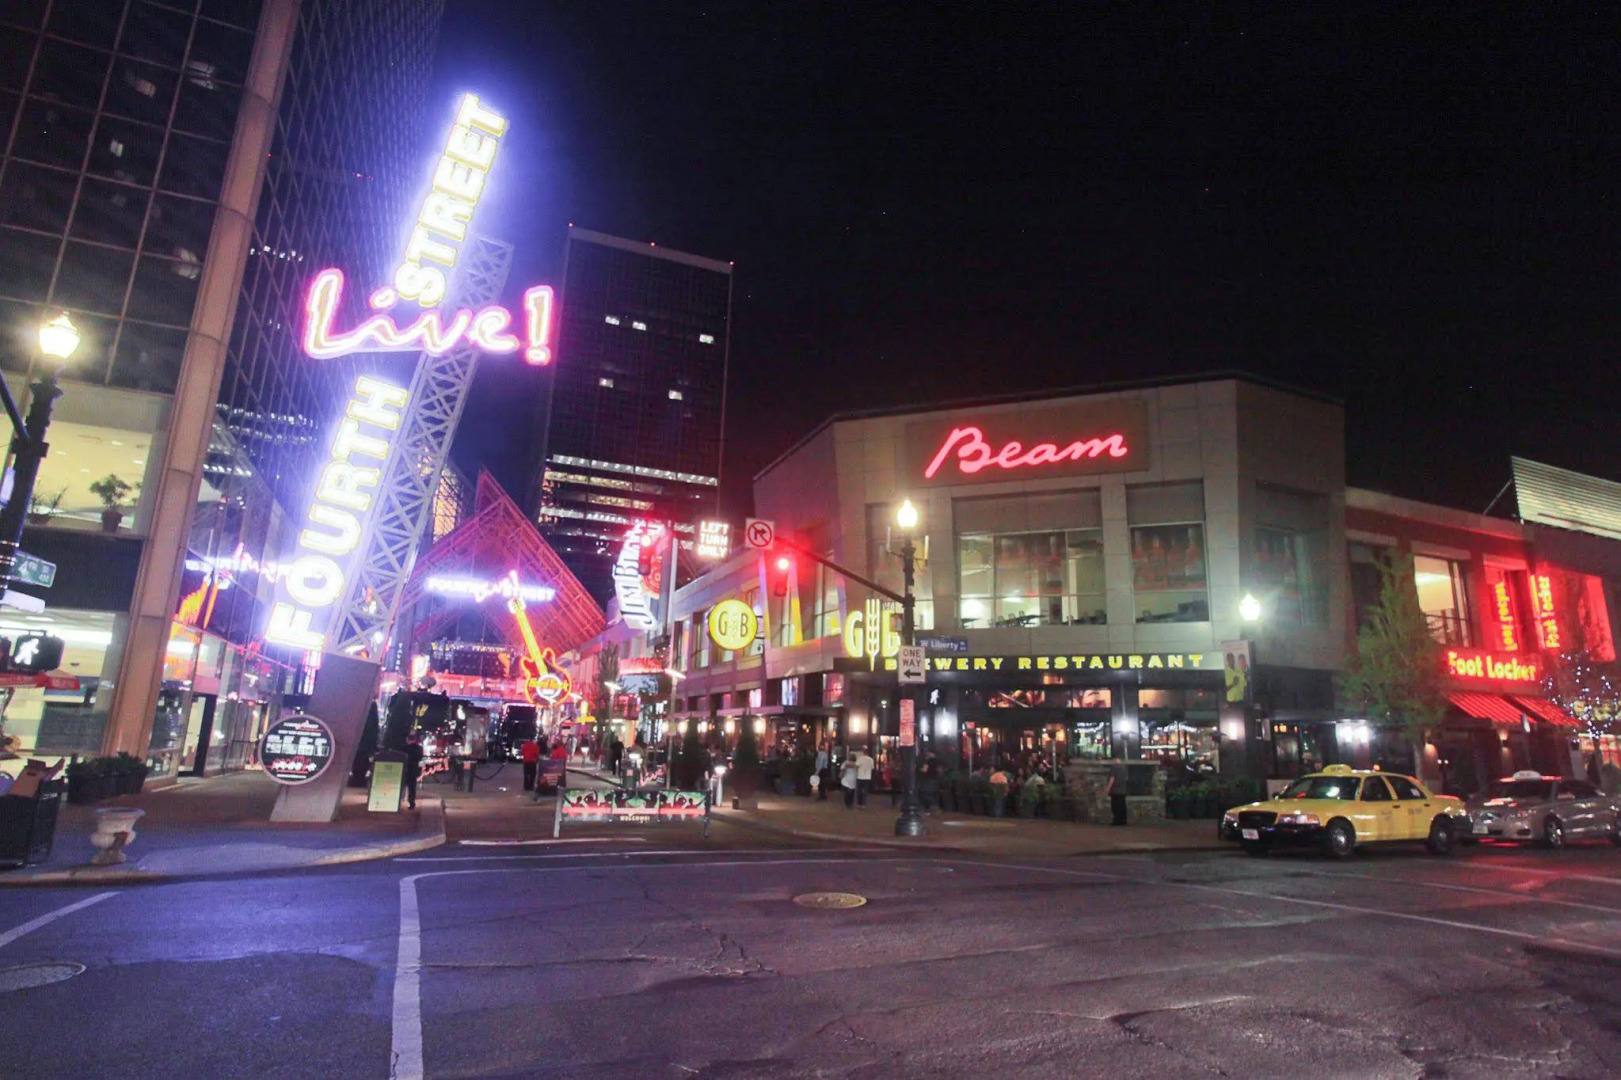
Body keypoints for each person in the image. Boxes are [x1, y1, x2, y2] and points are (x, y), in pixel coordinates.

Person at [405, 732, 425, 810]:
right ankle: (411, 802)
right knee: (412, 787)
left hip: (406, 768)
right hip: (414, 769)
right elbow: (420, 758)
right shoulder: (419, 748)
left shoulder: (406, 748)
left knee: (404, 785)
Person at [1107, 755, 1129, 826]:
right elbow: (1126, 778)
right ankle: (1123, 820)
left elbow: (1112, 779)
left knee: (1115, 806)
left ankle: (1117, 820)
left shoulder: (1113, 767)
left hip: (1115, 789)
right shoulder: (1124, 767)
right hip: (1123, 789)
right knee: (1122, 805)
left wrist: (1108, 788)